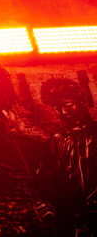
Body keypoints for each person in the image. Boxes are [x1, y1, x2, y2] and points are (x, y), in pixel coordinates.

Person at [36, 78, 97, 236]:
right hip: (78, 223)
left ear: (83, 102)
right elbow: (45, 180)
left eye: (68, 105)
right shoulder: (57, 140)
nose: (63, 112)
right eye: (57, 108)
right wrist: (44, 202)